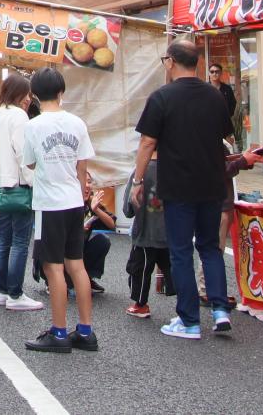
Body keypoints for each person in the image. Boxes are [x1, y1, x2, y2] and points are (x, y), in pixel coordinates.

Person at [131, 37, 235, 341]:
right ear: (198, 63)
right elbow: (225, 136)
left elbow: (147, 142)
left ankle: (189, 320)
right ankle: (220, 310)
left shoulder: (162, 97)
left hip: (178, 186)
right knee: (210, 248)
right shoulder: (215, 97)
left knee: (180, 251)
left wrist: (138, 181)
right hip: (212, 184)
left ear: (170, 62)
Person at [19, 67, 98, 353]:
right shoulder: (77, 123)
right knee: (76, 265)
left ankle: (60, 331)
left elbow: (29, 163)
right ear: (62, 92)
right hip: (74, 202)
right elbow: (82, 166)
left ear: (34, 96)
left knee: (53, 268)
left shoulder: (34, 125)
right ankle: (86, 331)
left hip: (49, 203)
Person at [0, 73, 40, 313]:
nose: (29, 99)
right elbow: (23, 154)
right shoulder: (18, 116)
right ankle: (15, 293)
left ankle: (1, 291)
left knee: (3, 241)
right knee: (20, 242)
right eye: (27, 94)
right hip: (18, 186)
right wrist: (33, 181)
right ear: (19, 93)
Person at [123, 151, 171, 320]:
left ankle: (140, 305)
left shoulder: (139, 172)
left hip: (145, 231)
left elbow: (127, 210)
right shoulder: (176, 168)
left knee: (139, 270)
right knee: (175, 268)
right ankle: (185, 305)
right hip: (171, 232)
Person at [82, 190, 115, 292]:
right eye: (84, 181)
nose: (87, 186)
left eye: (89, 182)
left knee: (103, 240)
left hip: (79, 251)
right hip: (60, 252)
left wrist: (96, 209)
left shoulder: (90, 204)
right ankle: (52, 280)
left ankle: (87, 278)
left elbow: (111, 224)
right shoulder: (65, 203)